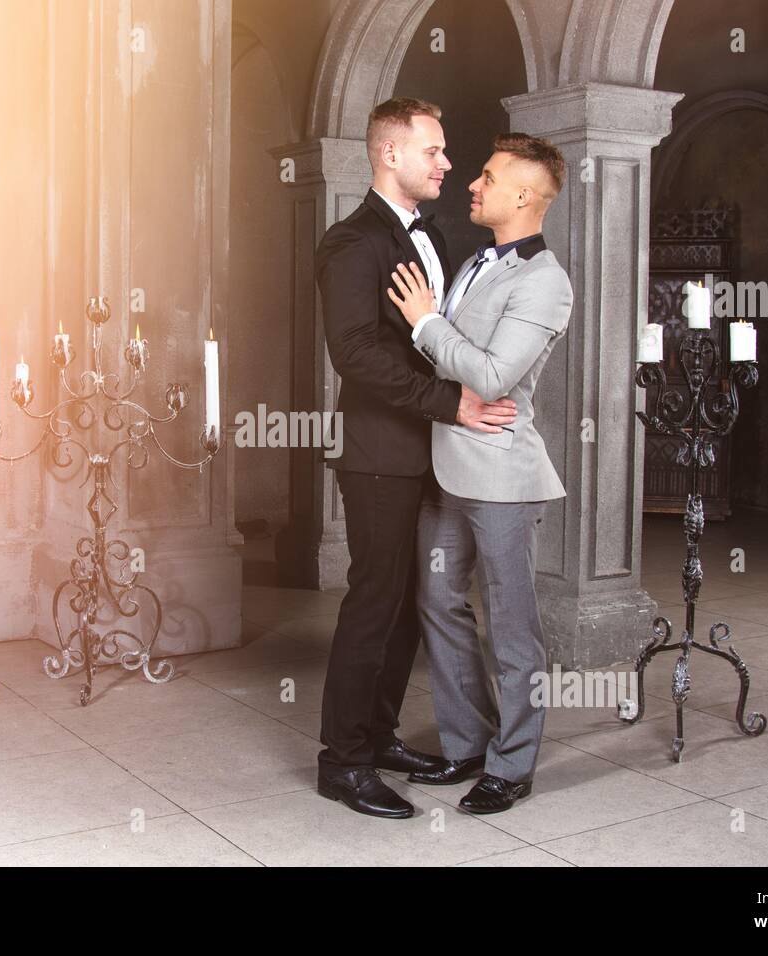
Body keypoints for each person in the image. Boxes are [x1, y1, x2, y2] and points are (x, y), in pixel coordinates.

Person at [314, 98, 518, 819]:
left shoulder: (429, 233)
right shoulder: (351, 243)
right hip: (380, 454)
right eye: (432, 149)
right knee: (374, 603)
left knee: (407, 607)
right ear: (390, 155)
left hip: (431, 450)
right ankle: (341, 763)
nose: (446, 162)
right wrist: (452, 404)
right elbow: (358, 355)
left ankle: (376, 737)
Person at [387, 132, 573, 814]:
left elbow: (494, 375)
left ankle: (513, 763)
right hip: (447, 464)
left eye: (490, 177)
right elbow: (458, 371)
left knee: (513, 624)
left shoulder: (546, 281)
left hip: (502, 476)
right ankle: (469, 743)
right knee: (439, 601)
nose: (473, 183)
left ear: (525, 195)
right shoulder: (478, 260)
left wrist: (426, 322)